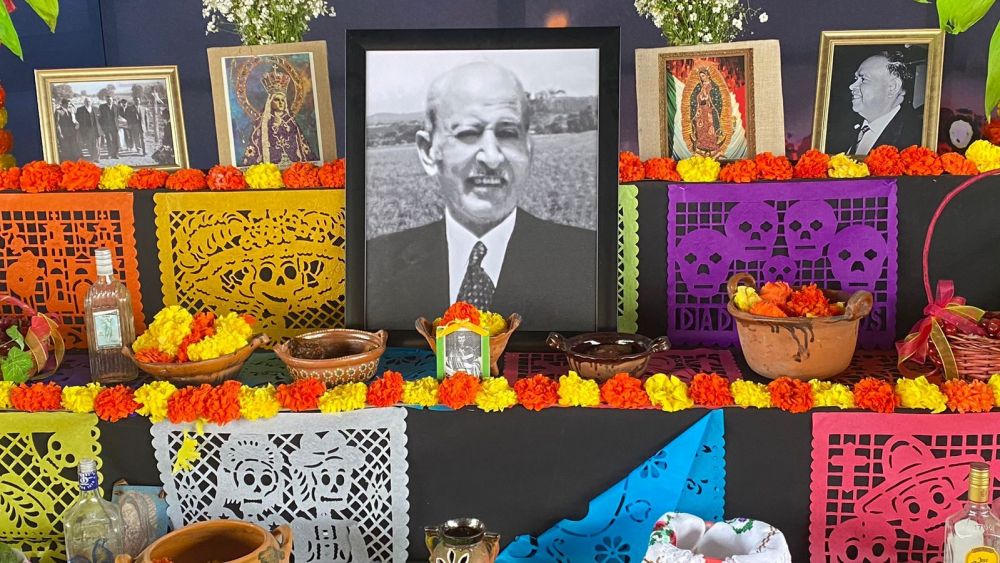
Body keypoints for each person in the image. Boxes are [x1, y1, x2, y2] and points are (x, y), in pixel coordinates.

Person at [366, 61, 597, 330]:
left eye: (508, 133)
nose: (492, 157)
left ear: (529, 150)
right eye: (467, 133)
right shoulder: (377, 265)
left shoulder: (587, 261)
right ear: (428, 152)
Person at [843, 51, 922, 156]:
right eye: (856, 79)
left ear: (892, 87)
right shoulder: (842, 127)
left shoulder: (916, 139)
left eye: (863, 79)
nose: (851, 86)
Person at [243, 69, 314, 165]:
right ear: (270, 102)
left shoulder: (291, 123)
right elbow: (256, 150)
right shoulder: (262, 124)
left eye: (283, 100)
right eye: (277, 100)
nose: (281, 103)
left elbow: (301, 149)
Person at [691, 67, 724, 155]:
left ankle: (711, 145)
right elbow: (693, 97)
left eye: (703, 76)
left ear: (708, 76)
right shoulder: (699, 86)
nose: (702, 78)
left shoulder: (714, 86)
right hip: (700, 111)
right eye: (701, 76)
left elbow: (717, 100)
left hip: (709, 111)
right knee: (700, 128)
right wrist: (698, 98)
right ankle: (701, 145)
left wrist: (708, 98)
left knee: (709, 128)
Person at [75, 97, 100, 161]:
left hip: (95, 130)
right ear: (84, 102)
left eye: (89, 101)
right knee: (89, 144)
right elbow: (78, 119)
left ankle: (96, 158)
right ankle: (92, 156)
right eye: (86, 101)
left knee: (96, 144)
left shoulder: (96, 109)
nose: (88, 102)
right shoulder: (80, 110)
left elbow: (99, 119)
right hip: (86, 131)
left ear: (91, 102)